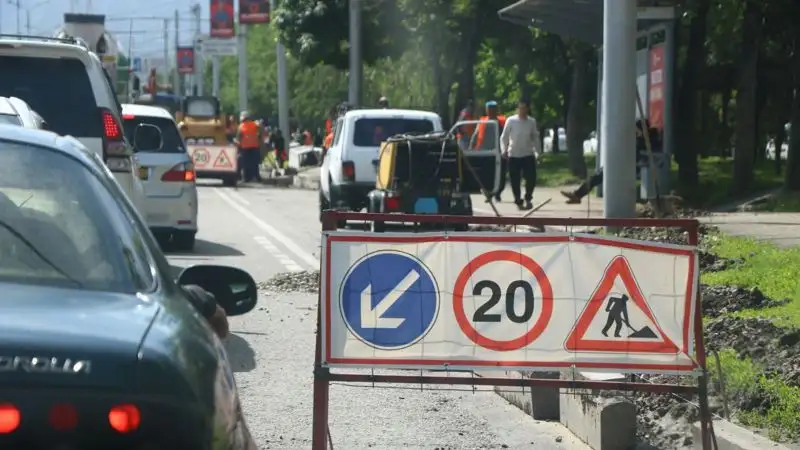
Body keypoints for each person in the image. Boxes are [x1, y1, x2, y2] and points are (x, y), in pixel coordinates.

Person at [560, 119, 661, 204]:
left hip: (633, 167)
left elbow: (642, 154)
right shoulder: (642, 139)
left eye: (637, 130)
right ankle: (577, 194)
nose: (635, 132)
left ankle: (578, 194)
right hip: (627, 165)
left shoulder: (647, 140)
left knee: (599, 175)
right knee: (598, 174)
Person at [500, 99, 541, 210]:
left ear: (527, 109)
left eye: (524, 108)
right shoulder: (511, 121)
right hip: (513, 154)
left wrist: (538, 152)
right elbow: (504, 137)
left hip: (528, 153)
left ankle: (528, 198)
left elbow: (535, 138)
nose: (521, 110)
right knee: (515, 179)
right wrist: (504, 150)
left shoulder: (531, 122)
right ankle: (518, 200)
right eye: (519, 108)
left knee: (531, 178)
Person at [472, 100, 507, 202]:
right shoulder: (483, 121)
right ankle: (489, 193)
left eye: (493, 109)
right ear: (486, 110)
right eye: (489, 109)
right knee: (487, 174)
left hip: (500, 152)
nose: (491, 112)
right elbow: (475, 134)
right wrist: (471, 146)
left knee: (501, 174)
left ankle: (498, 192)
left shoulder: (502, 122)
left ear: (497, 110)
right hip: (486, 152)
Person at [234, 111, 264, 182]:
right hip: (254, 147)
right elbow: (261, 129)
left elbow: (238, 137)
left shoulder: (241, 126)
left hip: (245, 148)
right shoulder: (254, 124)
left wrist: (237, 145)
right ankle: (257, 177)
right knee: (255, 164)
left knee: (245, 164)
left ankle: (246, 178)